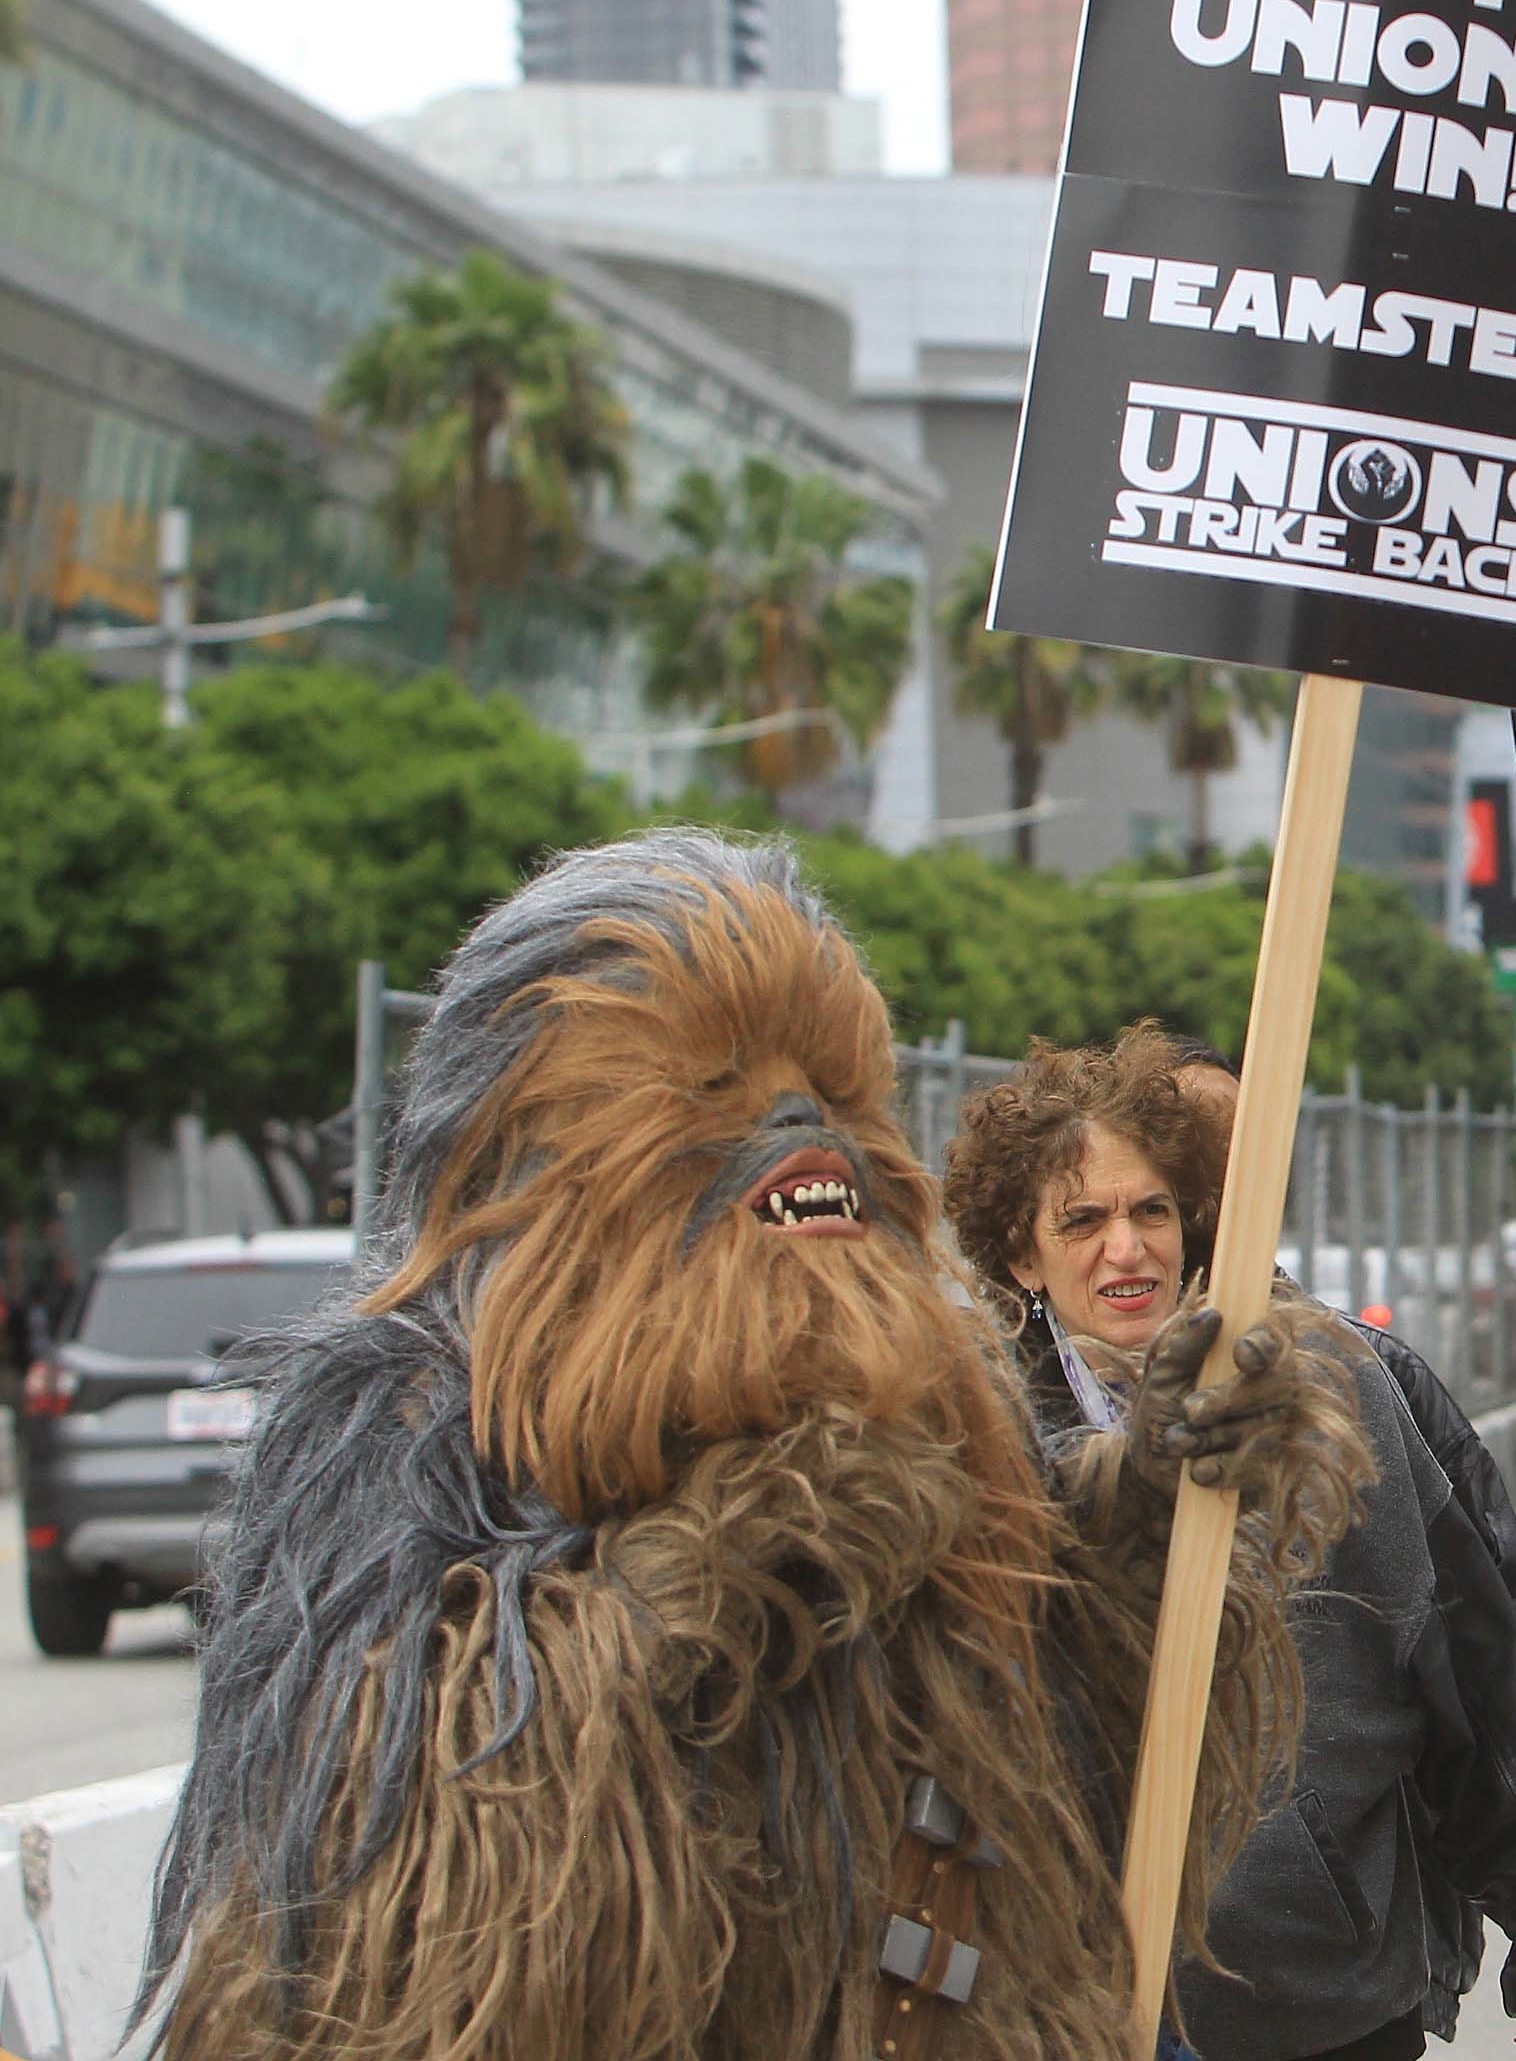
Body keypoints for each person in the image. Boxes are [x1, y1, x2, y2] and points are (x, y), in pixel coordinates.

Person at [142, 831, 1364, 2061]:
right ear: (526, 1147)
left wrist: (1157, 1504)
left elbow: (1057, 1748)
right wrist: (744, 1543)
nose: (800, 1126)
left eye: (836, 1092)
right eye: (719, 1084)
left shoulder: (937, 1418)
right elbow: (383, 1905)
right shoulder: (410, 1416)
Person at [946, 1023, 1516, 2061]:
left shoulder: (1342, 1389)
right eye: (1081, 1219)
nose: (1123, 1248)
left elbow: (1480, 1686)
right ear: (1019, 1253)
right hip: (1061, 2013)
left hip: (1321, 2005)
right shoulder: (968, 1443)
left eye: (1150, 1210)